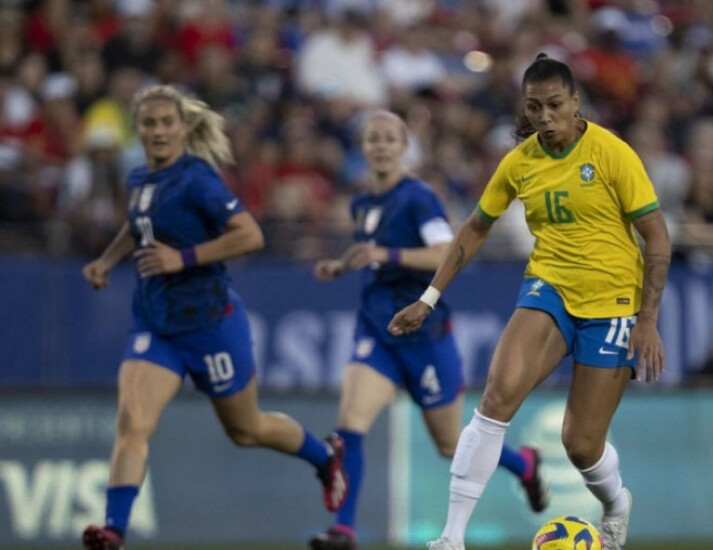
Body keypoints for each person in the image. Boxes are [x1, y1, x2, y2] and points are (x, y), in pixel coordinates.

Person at [388, 53, 671, 550]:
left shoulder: (612, 153)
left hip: (612, 304)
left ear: (576, 102)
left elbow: (657, 237)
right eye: (535, 107)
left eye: (555, 105)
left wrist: (647, 319)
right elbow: (475, 229)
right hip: (550, 288)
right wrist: (429, 298)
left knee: (580, 444)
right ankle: (451, 538)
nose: (544, 117)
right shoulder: (519, 163)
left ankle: (615, 503)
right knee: (496, 397)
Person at [79, 85, 348, 550]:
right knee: (133, 425)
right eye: (150, 123)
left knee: (247, 429)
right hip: (156, 323)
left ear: (182, 128)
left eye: (167, 122)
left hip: (210, 323)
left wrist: (181, 259)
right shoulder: (139, 178)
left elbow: (250, 235)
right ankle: (114, 532)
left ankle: (324, 456)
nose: (159, 131)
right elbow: (139, 223)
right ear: (137, 129)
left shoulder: (197, 180)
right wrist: (107, 259)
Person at [307, 111, 550, 550]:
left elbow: (443, 253)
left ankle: (524, 464)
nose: (380, 146)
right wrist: (340, 265)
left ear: (404, 147)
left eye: (389, 139)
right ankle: (344, 529)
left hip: (426, 336)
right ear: (363, 148)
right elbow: (370, 253)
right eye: (372, 139)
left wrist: (387, 254)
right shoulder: (362, 202)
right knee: (349, 426)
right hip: (378, 332)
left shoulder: (418, 198)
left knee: (448, 445)